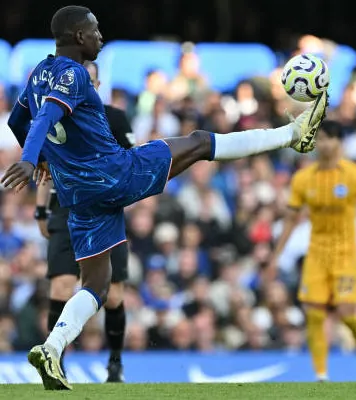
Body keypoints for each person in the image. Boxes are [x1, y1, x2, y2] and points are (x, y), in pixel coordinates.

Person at [3, 5, 327, 391]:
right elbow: (41, 121)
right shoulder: (72, 74)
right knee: (199, 142)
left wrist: (39, 158)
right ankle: (293, 134)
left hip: (79, 195)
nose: (100, 37)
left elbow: (16, 120)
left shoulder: (39, 72)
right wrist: (28, 159)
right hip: (115, 173)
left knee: (98, 282)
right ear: (78, 37)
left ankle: (52, 348)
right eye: (94, 30)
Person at [35, 60, 134, 382]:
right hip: (65, 208)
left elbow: (130, 162)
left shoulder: (115, 118)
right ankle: (55, 360)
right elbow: (45, 166)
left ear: (97, 86)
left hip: (105, 206)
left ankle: (115, 363)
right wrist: (40, 209)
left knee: (113, 294)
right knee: (62, 287)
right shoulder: (55, 117)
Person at [269, 120, 356, 381]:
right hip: (316, 254)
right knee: (314, 314)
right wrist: (275, 258)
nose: (321, 144)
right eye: (319, 139)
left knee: (346, 314)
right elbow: (290, 220)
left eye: (327, 138)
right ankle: (321, 376)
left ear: (339, 142)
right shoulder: (303, 178)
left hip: (345, 254)